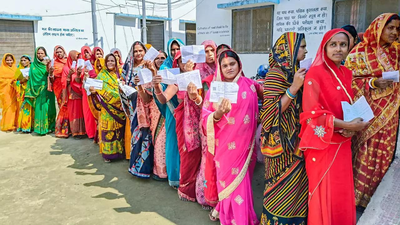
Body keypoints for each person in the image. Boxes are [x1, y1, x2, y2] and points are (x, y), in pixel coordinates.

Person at [299, 29, 368, 225]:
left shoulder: (347, 73)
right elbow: (311, 113)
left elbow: (345, 105)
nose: (338, 49)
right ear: (325, 47)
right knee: (324, 191)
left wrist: (353, 124)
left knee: (340, 190)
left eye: (343, 45)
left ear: (349, 47)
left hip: (343, 140)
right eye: (333, 44)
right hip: (322, 142)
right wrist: (346, 125)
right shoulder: (315, 73)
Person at [345, 13, 400, 209]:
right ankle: (356, 198)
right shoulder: (359, 52)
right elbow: (348, 82)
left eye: (397, 29)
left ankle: (374, 198)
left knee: (384, 153)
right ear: (379, 27)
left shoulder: (397, 52)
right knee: (363, 153)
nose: (394, 32)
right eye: (390, 28)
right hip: (366, 114)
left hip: (390, 114)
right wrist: (372, 82)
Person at [202, 49, 263, 224]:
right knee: (228, 183)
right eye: (225, 65)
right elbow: (205, 117)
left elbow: (269, 96)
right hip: (225, 147)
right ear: (219, 68)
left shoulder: (250, 85)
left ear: (239, 64)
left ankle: (229, 212)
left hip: (246, 146)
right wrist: (218, 113)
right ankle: (236, 219)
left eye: (232, 64)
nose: (229, 68)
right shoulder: (215, 89)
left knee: (241, 184)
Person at [259, 32, 308, 225]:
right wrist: (294, 88)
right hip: (280, 144)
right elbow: (269, 113)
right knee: (279, 187)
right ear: (289, 50)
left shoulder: (296, 71)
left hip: (297, 138)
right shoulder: (275, 74)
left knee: (298, 184)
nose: (305, 50)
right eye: (302, 47)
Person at [155, 50, 202, 201]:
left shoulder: (202, 77)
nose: (184, 63)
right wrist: (156, 88)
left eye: (187, 59)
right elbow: (164, 99)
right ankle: (187, 187)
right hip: (184, 124)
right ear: (176, 64)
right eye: (180, 61)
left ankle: (202, 187)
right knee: (187, 154)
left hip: (202, 122)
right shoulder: (176, 82)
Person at [191, 40, 217, 209]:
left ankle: (217, 194)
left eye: (211, 50)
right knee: (207, 158)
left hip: (223, 121)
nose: (209, 54)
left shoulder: (221, 70)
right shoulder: (197, 73)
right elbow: (198, 102)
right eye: (206, 51)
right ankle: (204, 195)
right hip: (207, 120)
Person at [89, 53, 125, 162]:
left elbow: (124, 89)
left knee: (119, 131)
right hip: (107, 110)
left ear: (116, 62)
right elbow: (96, 91)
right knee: (108, 130)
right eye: (108, 61)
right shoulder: (101, 76)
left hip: (119, 109)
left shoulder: (120, 75)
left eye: (112, 61)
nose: (110, 63)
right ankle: (108, 155)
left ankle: (119, 153)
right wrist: (94, 92)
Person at [25, 47, 56, 135]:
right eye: (38, 53)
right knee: (41, 108)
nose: (40, 55)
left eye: (42, 53)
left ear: (45, 54)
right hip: (38, 90)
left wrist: (49, 70)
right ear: (36, 54)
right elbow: (32, 79)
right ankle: (41, 128)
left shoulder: (49, 64)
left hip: (48, 89)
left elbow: (52, 77)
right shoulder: (33, 66)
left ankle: (51, 127)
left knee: (49, 107)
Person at [62, 51, 86, 137]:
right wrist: (69, 75)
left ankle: (82, 130)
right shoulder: (66, 68)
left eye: (78, 56)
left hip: (79, 91)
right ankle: (75, 131)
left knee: (80, 111)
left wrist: (79, 74)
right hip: (71, 93)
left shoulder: (80, 67)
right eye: (75, 56)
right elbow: (64, 82)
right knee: (74, 112)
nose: (77, 58)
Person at [49, 45, 69, 137]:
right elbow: (51, 78)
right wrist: (51, 73)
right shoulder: (53, 63)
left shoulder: (67, 62)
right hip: (58, 87)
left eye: (60, 52)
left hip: (67, 86)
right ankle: (60, 128)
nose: (59, 53)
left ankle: (68, 128)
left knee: (68, 107)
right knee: (62, 106)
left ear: (64, 52)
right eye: (57, 52)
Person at [81, 46, 97, 139]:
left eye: (88, 52)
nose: (87, 54)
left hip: (95, 91)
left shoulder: (96, 64)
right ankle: (91, 133)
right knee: (88, 112)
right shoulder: (81, 66)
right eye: (84, 52)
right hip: (85, 92)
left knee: (95, 111)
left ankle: (96, 132)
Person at [14, 55, 33, 132]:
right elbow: (14, 82)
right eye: (22, 60)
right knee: (25, 109)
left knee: (33, 109)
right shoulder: (19, 70)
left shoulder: (33, 69)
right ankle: (25, 127)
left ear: (29, 61)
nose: (23, 62)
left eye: (25, 60)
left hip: (32, 91)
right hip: (23, 92)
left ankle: (33, 126)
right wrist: (22, 81)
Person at [0, 53, 18, 131]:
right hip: (6, 91)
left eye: (10, 60)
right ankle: (7, 125)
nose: (9, 62)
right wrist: (9, 81)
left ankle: (15, 123)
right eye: (7, 60)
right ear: (4, 61)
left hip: (14, 91)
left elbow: (18, 78)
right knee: (7, 107)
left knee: (15, 108)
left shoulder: (16, 69)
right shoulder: (2, 69)